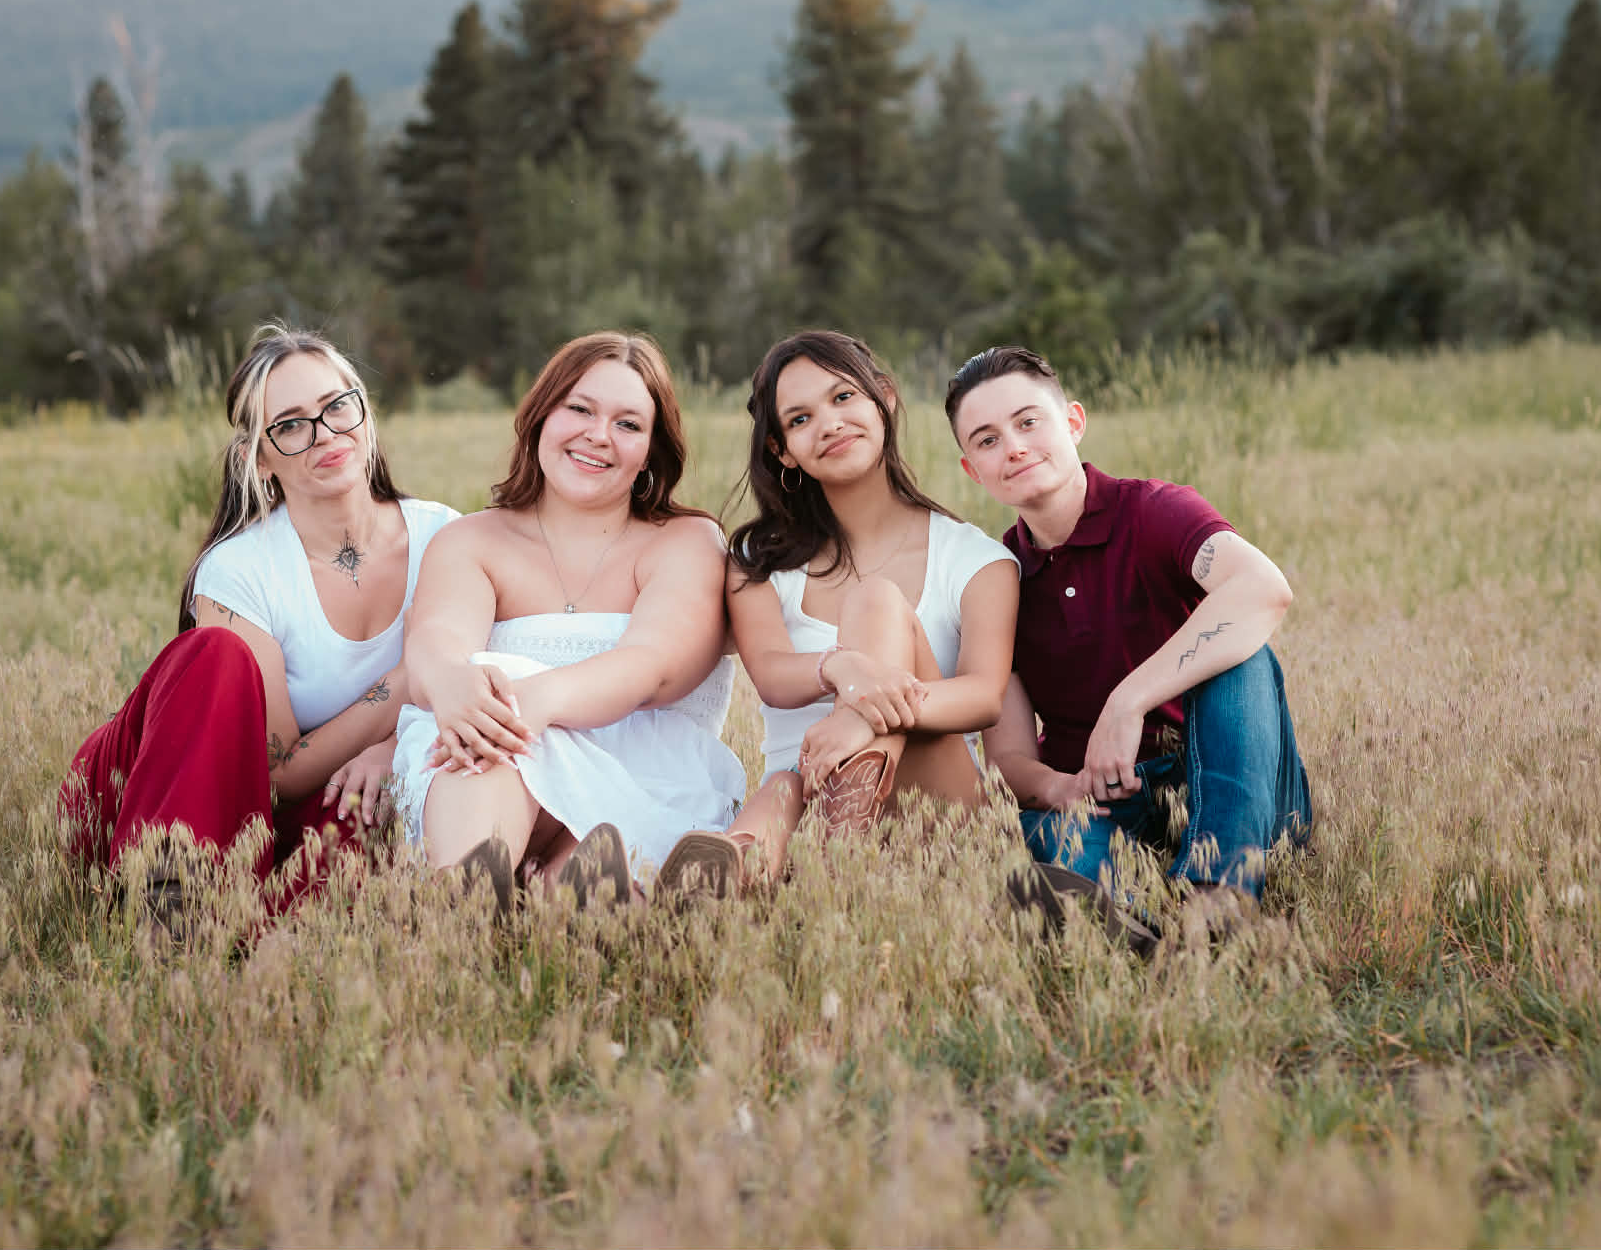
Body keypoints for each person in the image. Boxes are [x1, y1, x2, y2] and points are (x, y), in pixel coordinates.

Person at [60, 323, 458, 922]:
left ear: (365, 413)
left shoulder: (445, 539)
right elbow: (283, 771)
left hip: (285, 811)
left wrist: (397, 747)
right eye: (292, 424)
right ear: (259, 458)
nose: (325, 434)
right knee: (214, 653)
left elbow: (481, 680)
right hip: (146, 794)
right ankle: (170, 883)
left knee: (358, 818)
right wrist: (410, 678)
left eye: (336, 406)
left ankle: (235, 930)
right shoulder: (237, 569)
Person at [945, 345, 1312, 948]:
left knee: (1245, 657)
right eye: (986, 440)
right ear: (972, 470)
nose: (1012, 446)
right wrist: (1063, 789)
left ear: (1074, 422)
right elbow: (1008, 761)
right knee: (1041, 839)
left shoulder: (1153, 511)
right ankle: (1128, 916)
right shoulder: (995, 577)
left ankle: (1220, 896)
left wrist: (1128, 701)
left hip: (1224, 782)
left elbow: (1264, 589)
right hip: (1104, 803)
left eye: (1028, 422)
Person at [388, 332, 742, 908]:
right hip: (492, 765)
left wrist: (535, 701)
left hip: (639, 778)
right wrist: (453, 684)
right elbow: (436, 639)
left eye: (628, 425)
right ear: (541, 415)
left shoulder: (686, 542)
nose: (598, 435)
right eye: (579, 408)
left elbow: (651, 665)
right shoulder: (471, 539)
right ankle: (469, 913)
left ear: (652, 449)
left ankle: (568, 899)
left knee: (588, 868)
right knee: (487, 739)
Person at [662, 330, 1019, 897]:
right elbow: (774, 677)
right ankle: (733, 875)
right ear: (782, 450)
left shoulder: (976, 559)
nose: (828, 423)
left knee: (874, 598)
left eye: (844, 398)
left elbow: (982, 697)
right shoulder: (758, 561)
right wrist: (843, 669)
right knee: (782, 784)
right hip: (803, 797)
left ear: (885, 398)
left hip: (937, 812)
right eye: (799, 420)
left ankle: (834, 843)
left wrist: (861, 717)